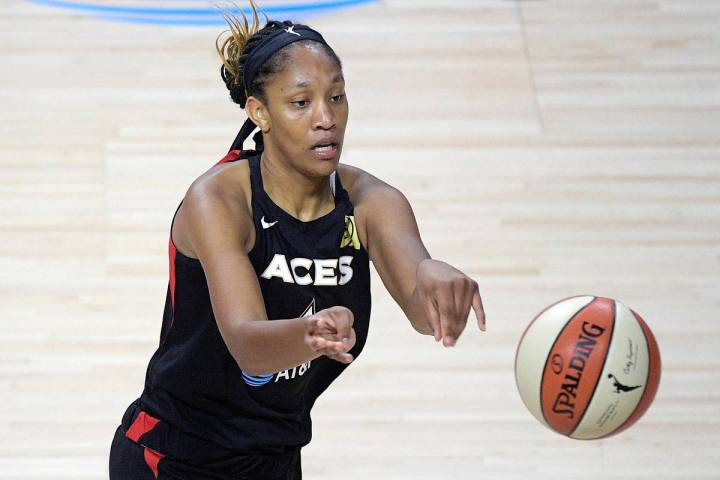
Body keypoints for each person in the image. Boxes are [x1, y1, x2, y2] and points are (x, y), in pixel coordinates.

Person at [108, 2, 486, 479]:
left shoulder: (373, 202)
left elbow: (420, 307)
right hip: (174, 457)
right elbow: (248, 345)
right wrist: (309, 333)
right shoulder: (219, 201)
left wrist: (433, 277)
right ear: (259, 112)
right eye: (301, 103)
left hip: (275, 459)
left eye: (338, 96)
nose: (326, 118)